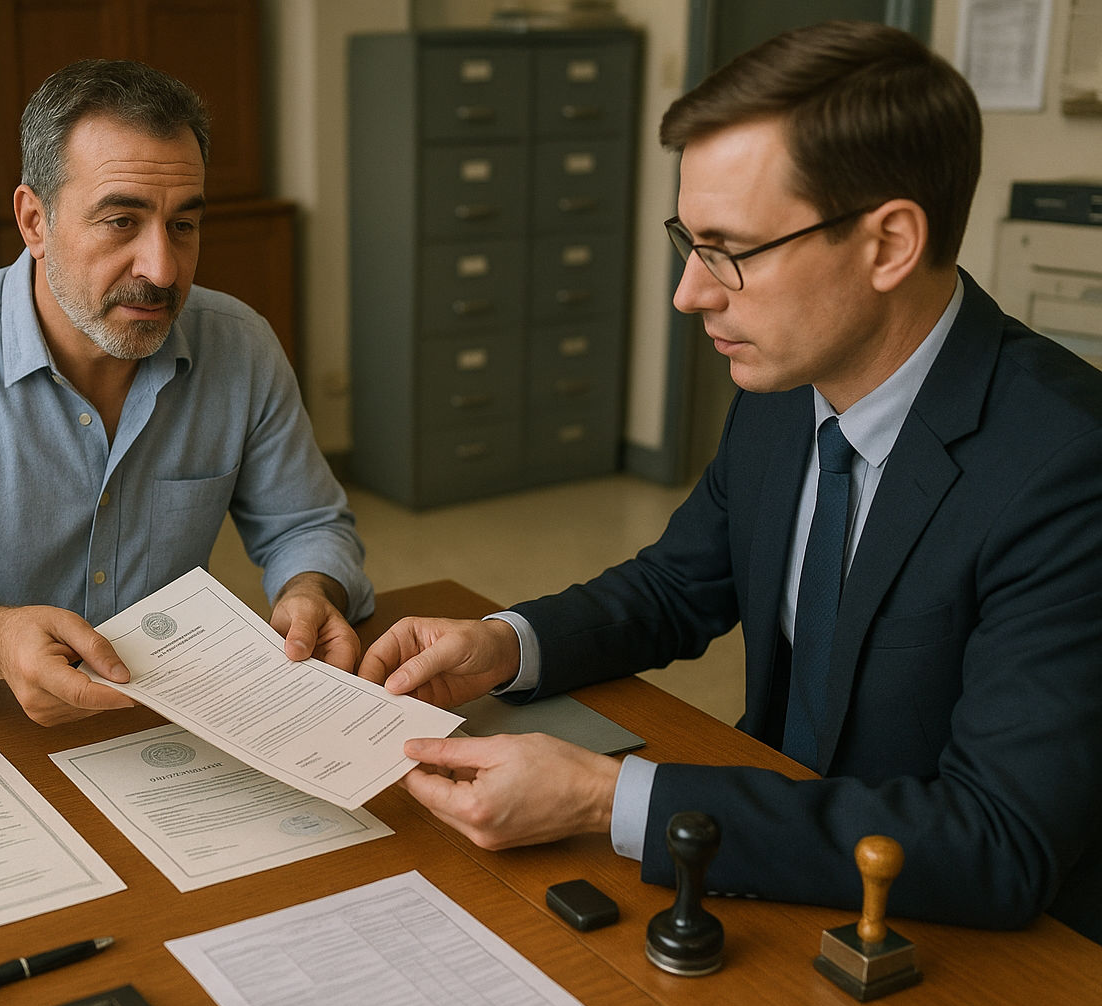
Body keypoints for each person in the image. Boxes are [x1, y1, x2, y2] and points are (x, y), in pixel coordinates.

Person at [359, 20, 1102, 942]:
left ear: (889, 244)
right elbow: (681, 582)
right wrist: (505, 645)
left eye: (730, 250)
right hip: (780, 861)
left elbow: (998, 841)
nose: (690, 293)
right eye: (689, 241)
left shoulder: (1068, 466)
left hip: (961, 931)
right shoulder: (789, 382)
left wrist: (607, 798)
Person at [0, 58, 373, 723]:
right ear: (34, 221)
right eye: (121, 222)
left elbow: (308, 525)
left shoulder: (240, 346)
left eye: (183, 225)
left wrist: (311, 587)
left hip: (161, 719)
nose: (162, 269)